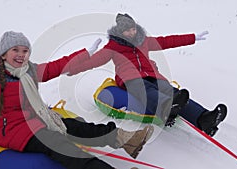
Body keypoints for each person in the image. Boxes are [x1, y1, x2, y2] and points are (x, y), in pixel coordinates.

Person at [0, 31, 154, 169]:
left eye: (24, 50)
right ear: (3, 53)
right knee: (62, 146)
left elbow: (56, 67)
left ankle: (128, 139)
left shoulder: (28, 71)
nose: (20, 55)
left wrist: (85, 54)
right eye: (15, 50)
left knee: (76, 126)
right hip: (13, 132)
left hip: (37, 120)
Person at [68, 13, 227, 137]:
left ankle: (204, 118)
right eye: (127, 30)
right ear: (120, 31)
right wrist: (72, 68)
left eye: (133, 29)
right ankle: (166, 107)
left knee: (173, 92)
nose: (131, 32)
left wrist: (192, 38)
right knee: (147, 91)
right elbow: (94, 61)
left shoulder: (143, 41)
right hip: (131, 80)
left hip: (154, 75)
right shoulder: (113, 47)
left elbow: (167, 41)